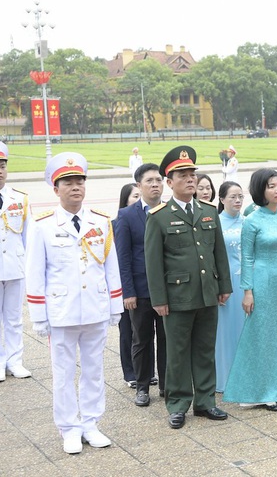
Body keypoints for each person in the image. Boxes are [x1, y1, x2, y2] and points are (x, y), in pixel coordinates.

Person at [25, 152, 123, 454]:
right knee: (64, 374)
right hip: (62, 312)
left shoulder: (101, 222)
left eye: (80, 181)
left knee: (94, 370)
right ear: (56, 189)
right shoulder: (42, 225)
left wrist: (115, 305)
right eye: (68, 182)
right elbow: (35, 272)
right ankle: (68, 428)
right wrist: (39, 315)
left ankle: (91, 423)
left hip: (94, 308)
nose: (75, 187)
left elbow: (111, 266)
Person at [144, 146, 232, 429]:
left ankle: (206, 401)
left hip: (207, 291)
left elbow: (219, 252)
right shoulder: (159, 216)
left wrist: (224, 286)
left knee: (205, 349)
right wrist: (158, 299)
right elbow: (154, 263)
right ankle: (178, 404)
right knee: (178, 353)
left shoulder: (207, 211)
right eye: (182, 175)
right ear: (169, 183)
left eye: (192, 174)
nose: (190, 179)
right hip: (177, 296)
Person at [224, 169, 277, 411]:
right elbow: (247, 258)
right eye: (271, 186)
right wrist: (247, 290)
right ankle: (265, 391)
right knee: (264, 337)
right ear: (260, 191)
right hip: (263, 281)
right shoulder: (253, 221)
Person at [114, 164, 166, 408]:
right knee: (142, 340)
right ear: (138, 185)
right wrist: (129, 292)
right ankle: (143, 387)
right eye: (149, 180)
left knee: (168, 339)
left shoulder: (170, 210)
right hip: (141, 290)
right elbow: (123, 258)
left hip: (168, 289)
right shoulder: (127, 215)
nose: (155, 184)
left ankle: (168, 384)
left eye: (158, 180)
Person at [0, 140, 32, 383]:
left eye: (2, 166)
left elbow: (28, 237)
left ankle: (15, 360)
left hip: (15, 265)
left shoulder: (19, 198)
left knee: (14, 317)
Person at [215, 181, 245, 393]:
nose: (237, 200)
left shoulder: (249, 222)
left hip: (247, 281)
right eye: (233, 196)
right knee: (226, 330)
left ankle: (246, 375)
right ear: (222, 199)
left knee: (246, 329)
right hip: (226, 283)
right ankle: (225, 377)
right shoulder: (215, 223)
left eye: (240, 196)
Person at [115, 182, 140, 389]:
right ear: (125, 201)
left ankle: (146, 372)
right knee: (127, 331)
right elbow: (120, 259)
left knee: (144, 333)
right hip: (126, 285)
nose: (139, 200)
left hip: (146, 284)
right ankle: (130, 372)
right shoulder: (118, 222)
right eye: (135, 196)